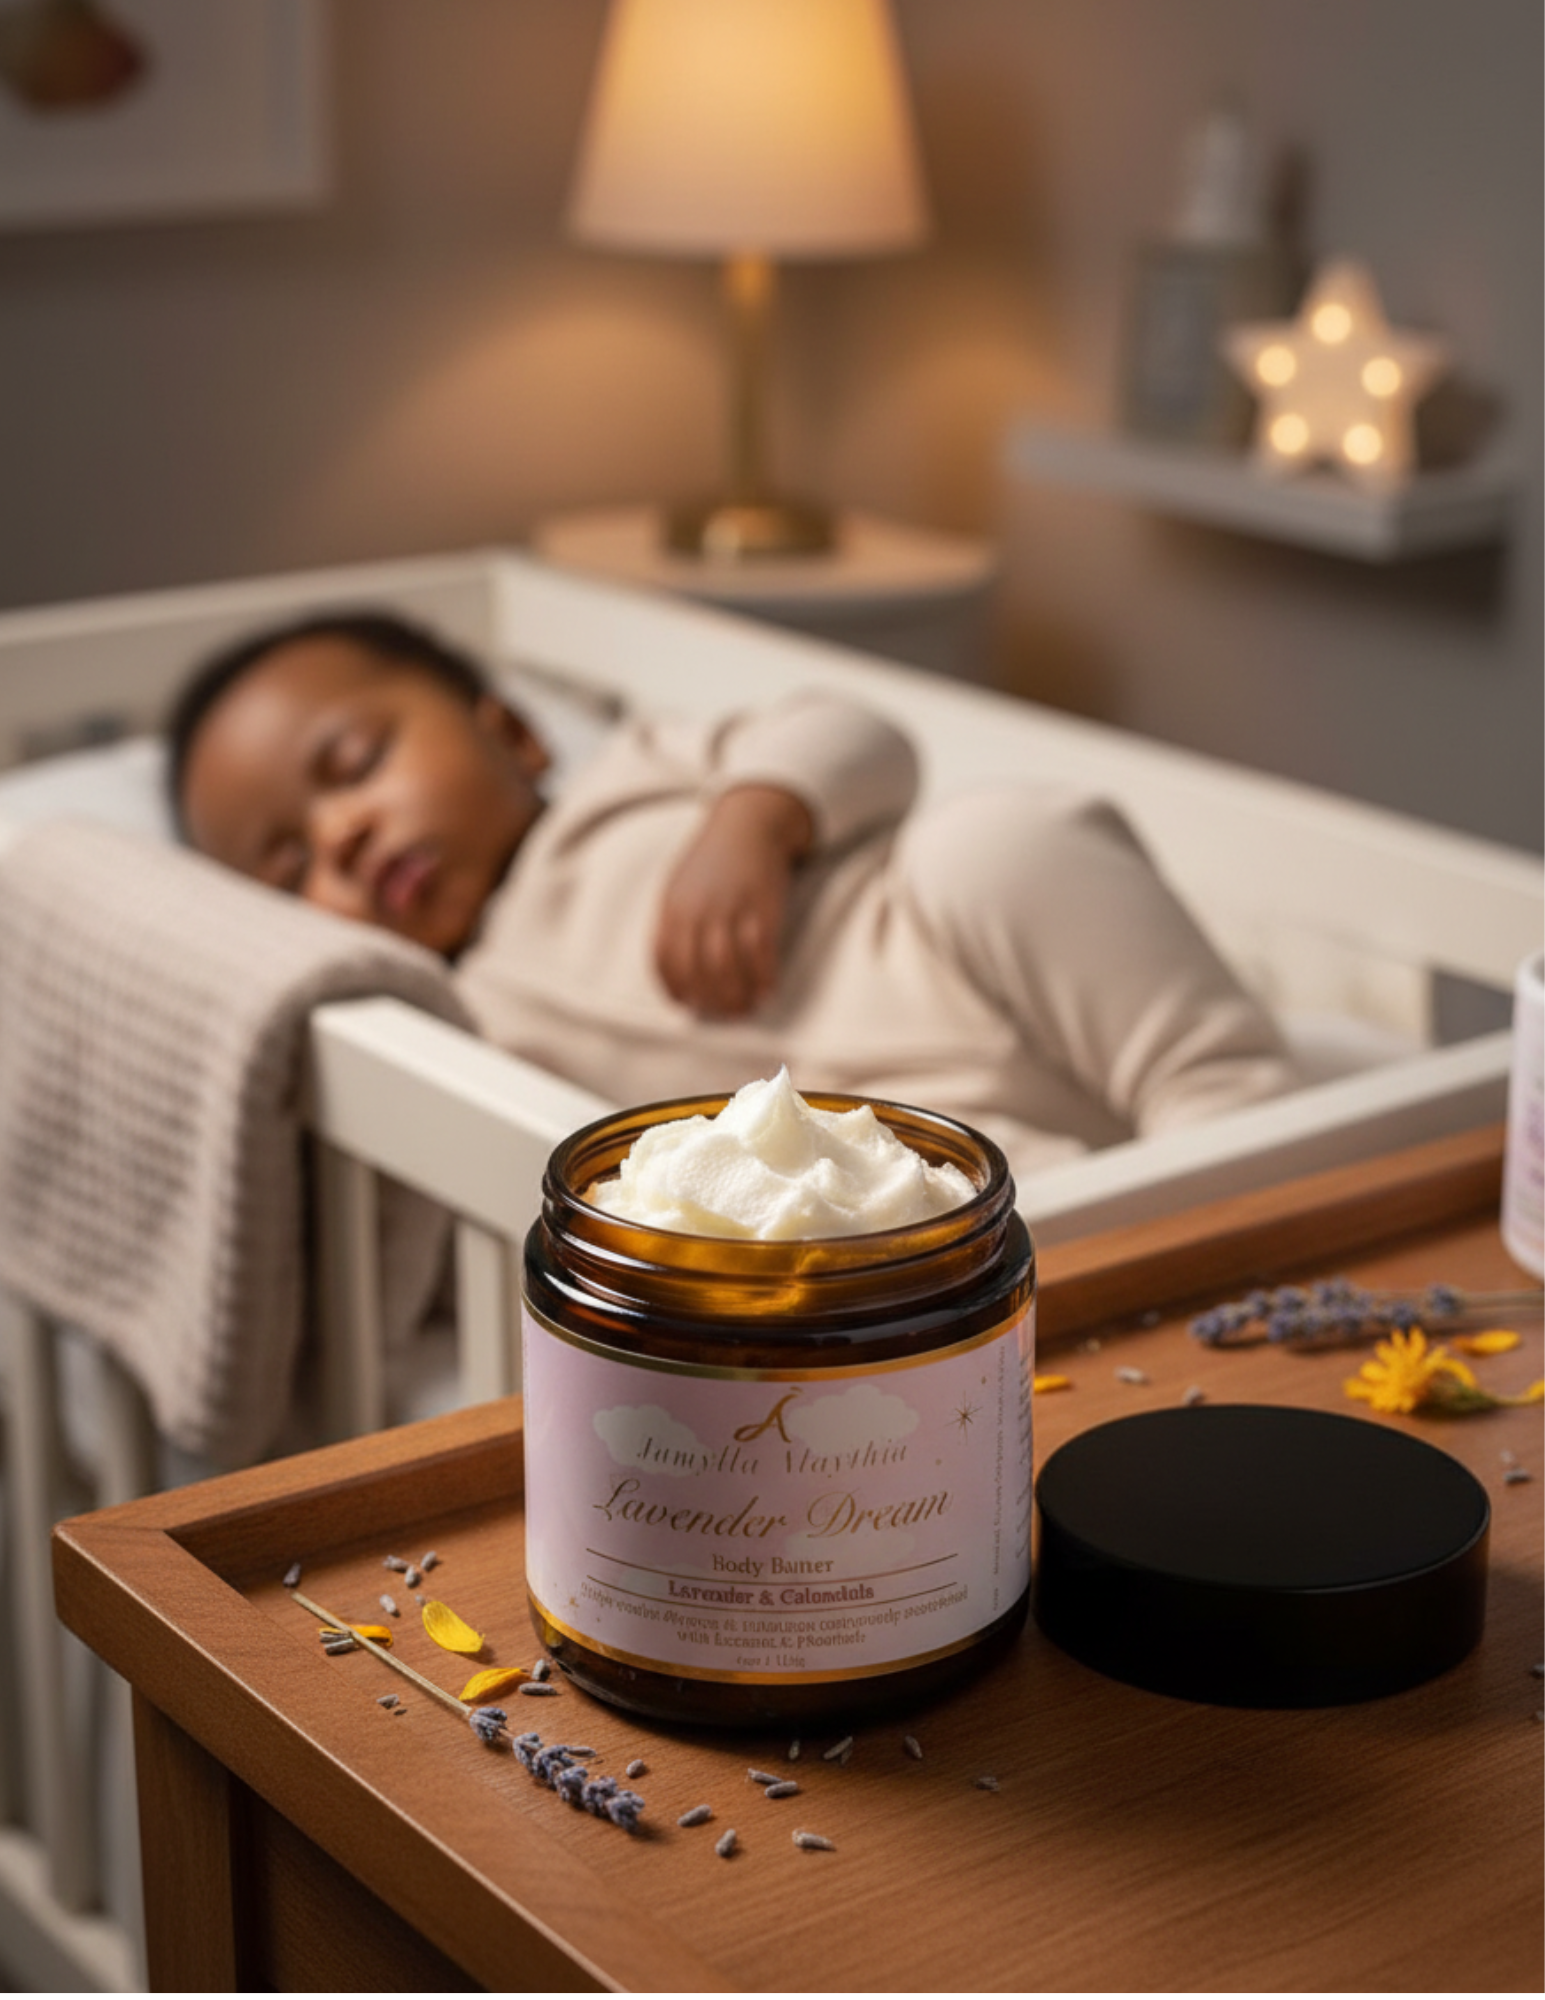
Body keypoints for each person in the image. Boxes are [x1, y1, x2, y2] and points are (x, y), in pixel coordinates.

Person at [170, 610, 1298, 1185]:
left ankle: (1233, 1103)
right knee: (895, 1207)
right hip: (909, 1127)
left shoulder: (631, 773)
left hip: (948, 949)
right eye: (289, 868)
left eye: (356, 763)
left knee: (991, 841)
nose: (342, 836)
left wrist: (755, 815)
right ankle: (1116, 1208)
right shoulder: (455, 1025)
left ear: (512, 731)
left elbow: (856, 731)